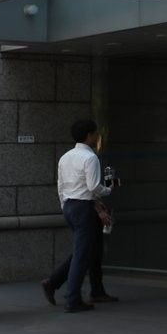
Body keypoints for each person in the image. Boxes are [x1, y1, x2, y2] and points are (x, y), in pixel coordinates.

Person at [42, 119, 114, 313]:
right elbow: (93, 187)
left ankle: (92, 290)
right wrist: (108, 189)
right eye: (95, 133)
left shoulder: (65, 157)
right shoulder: (90, 158)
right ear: (89, 135)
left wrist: (65, 205)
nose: (97, 137)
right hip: (84, 208)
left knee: (89, 249)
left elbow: (61, 185)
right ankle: (72, 298)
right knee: (83, 253)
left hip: (70, 205)